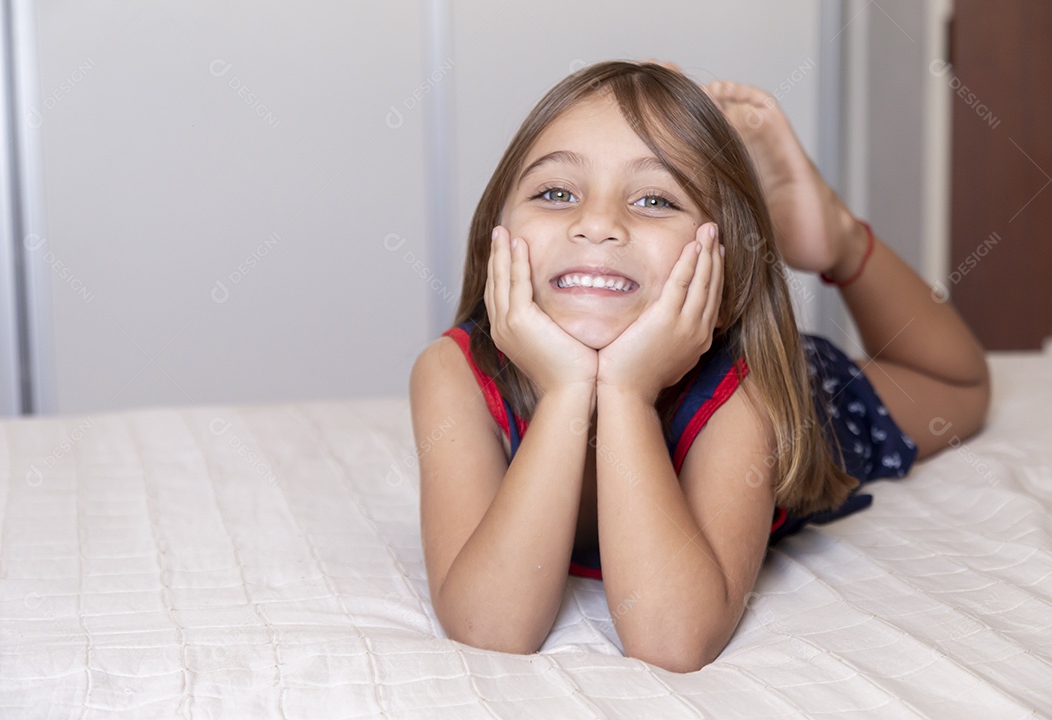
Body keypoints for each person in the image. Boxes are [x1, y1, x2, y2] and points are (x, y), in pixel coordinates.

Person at [408, 61, 989, 673]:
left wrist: (626, 393)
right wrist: (567, 391)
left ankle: (835, 238)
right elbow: (489, 627)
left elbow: (672, 639)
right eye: (556, 193)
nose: (597, 224)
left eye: (655, 199)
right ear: (494, 234)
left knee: (963, 387)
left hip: (789, 384)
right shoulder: (453, 374)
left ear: (726, 267)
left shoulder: (746, 393)